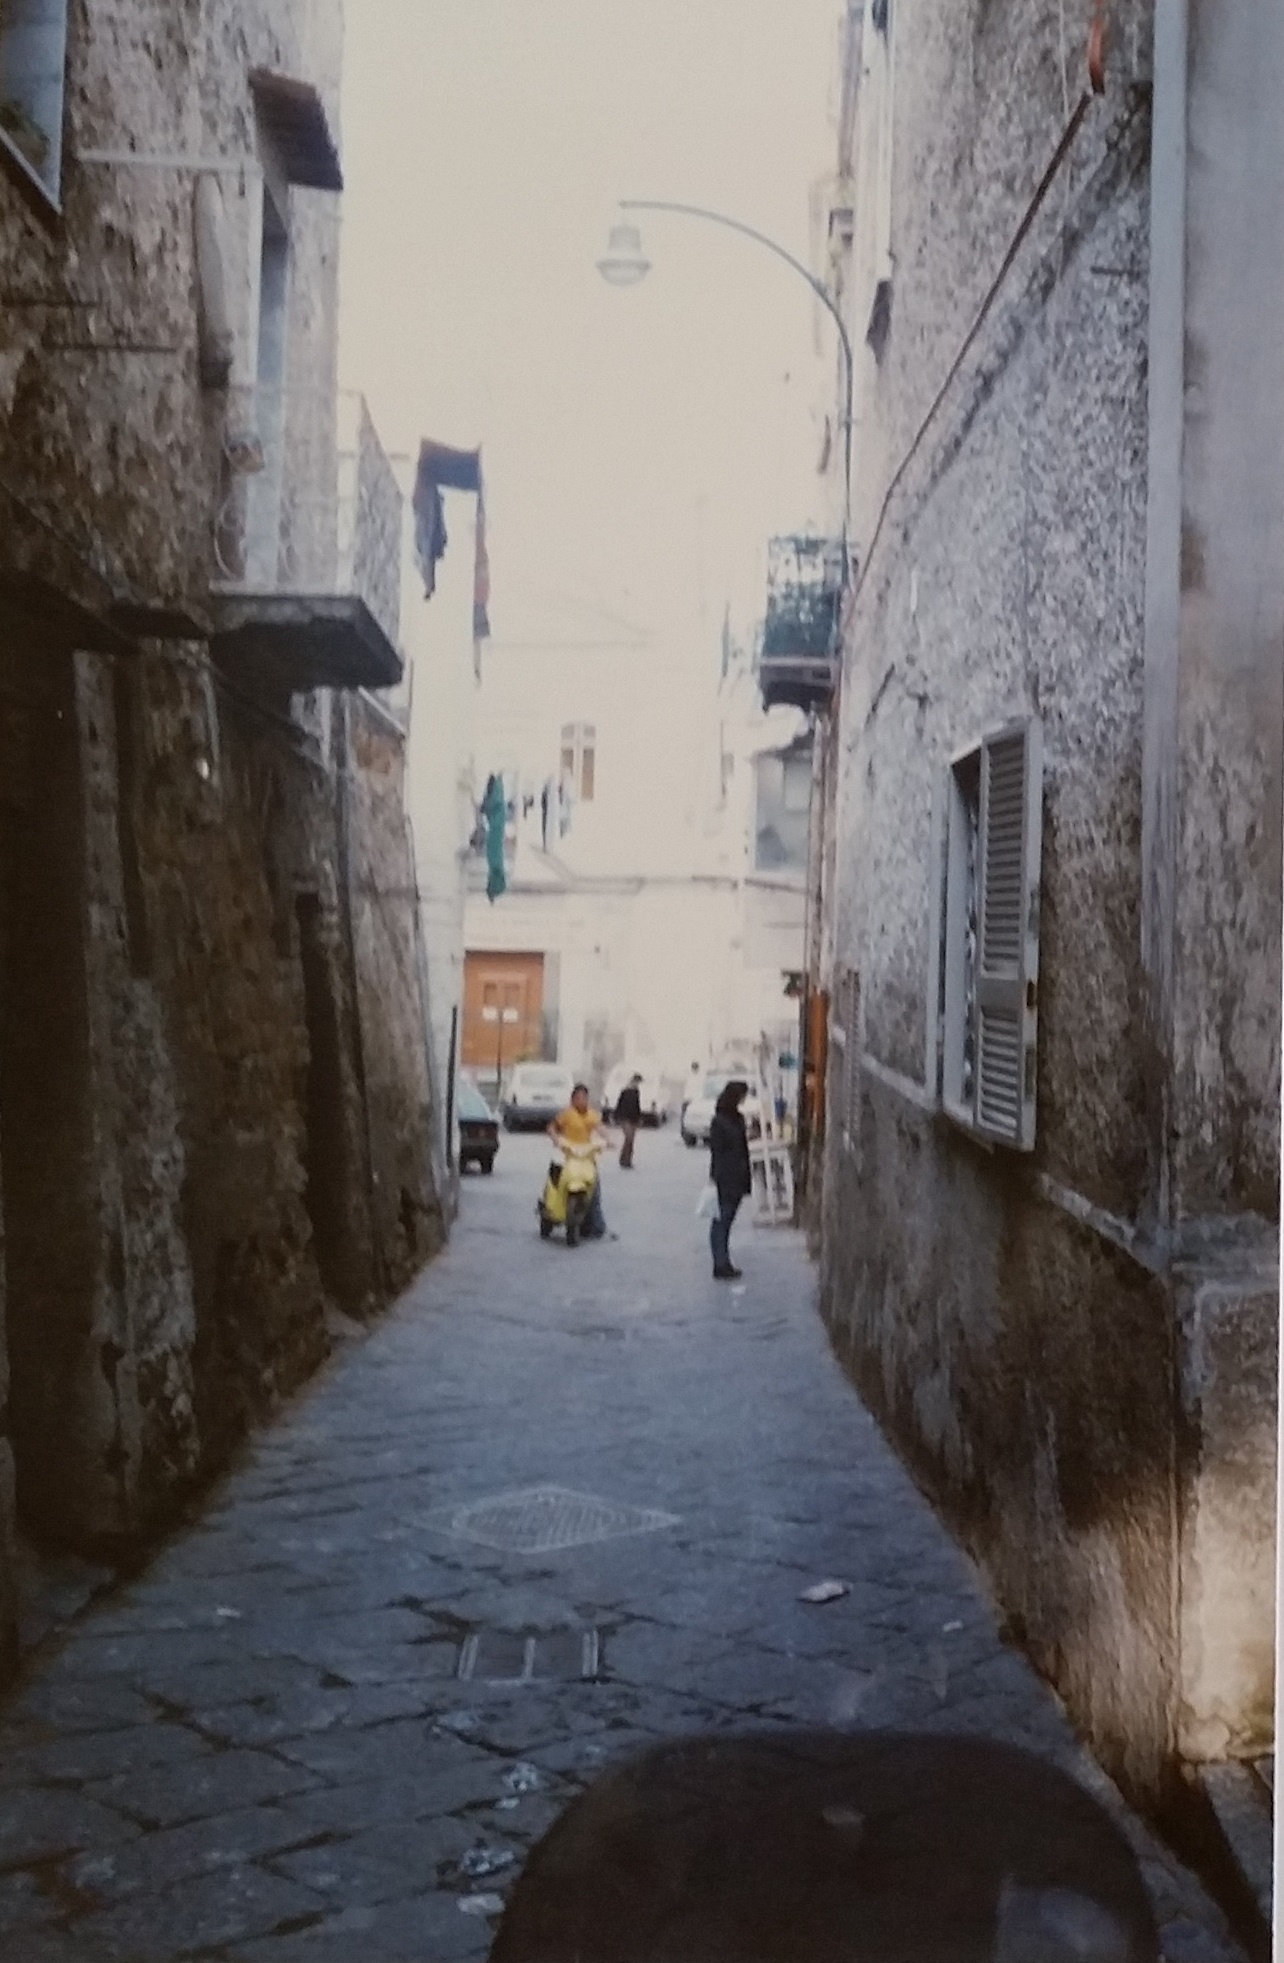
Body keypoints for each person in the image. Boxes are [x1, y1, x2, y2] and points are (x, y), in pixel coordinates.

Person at [548, 1083, 614, 1239]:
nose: (581, 1101)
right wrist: (556, 1139)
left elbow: (600, 1128)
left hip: (586, 1157)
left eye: (584, 1098)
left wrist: (608, 1140)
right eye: (577, 1098)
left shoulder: (592, 1115)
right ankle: (552, 1210)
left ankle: (596, 1227)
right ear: (572, 1100)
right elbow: (552, 1127)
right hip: (568, 1156)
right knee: (557, 1181)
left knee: (594, 1190)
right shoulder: (566, 1114)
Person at [708, 1080, 752, 1279]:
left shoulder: (737, 1118)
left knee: (727, 1219)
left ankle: (722, 1260)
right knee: (721, 1220)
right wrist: (715, 1178)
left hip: (738, 1175)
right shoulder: (720, 1121)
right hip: (726, 1177)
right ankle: (720, 1262)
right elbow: (717, 1152)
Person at [615, 1073, 643, 1168]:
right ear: (633, 1081)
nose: (637, 1084)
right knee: (629, 1138)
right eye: (636, 1082)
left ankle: (628, 1160)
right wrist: (616, 1117)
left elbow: (637, 1106)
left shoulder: (636, 1092)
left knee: (631, 1140)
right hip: (624, 1118)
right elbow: (619, 1104)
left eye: (638, 1083)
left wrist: (639, 1118)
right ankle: (623, 1159)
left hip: (633, 1118)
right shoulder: (625, 1091)